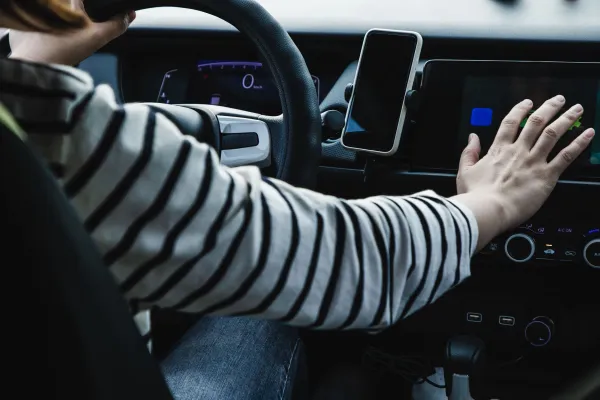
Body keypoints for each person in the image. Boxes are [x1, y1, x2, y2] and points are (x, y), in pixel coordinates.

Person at [0, 0, 596, 397]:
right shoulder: (61, 130)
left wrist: (31, 64)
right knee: (264, 310)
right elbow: (352, 267)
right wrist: (490, 205)